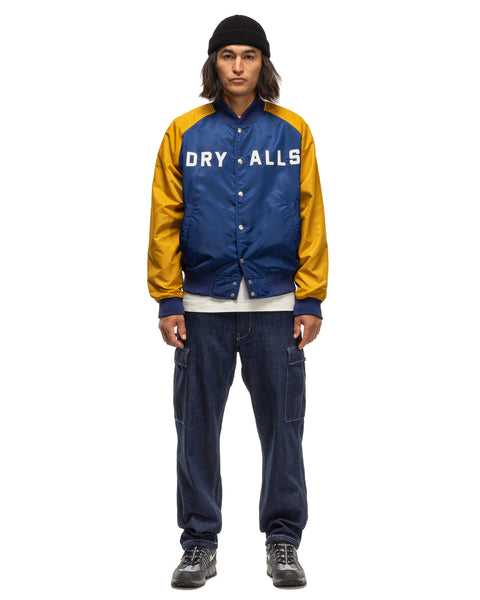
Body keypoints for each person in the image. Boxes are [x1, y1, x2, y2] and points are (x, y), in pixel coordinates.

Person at [148, 15, 328, 589]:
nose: (238, 66)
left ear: (263, 64)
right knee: (196, 431)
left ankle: (283, 542)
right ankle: (199, 544)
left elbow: (310, 213)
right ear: (214, 63)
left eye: (249, 55)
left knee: (283, 431)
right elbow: (166, 217)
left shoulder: (293, 132)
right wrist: (167, 297)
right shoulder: (183, 132)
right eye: (228, 55)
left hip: (277, 307)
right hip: (202, 307)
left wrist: (311, 296)